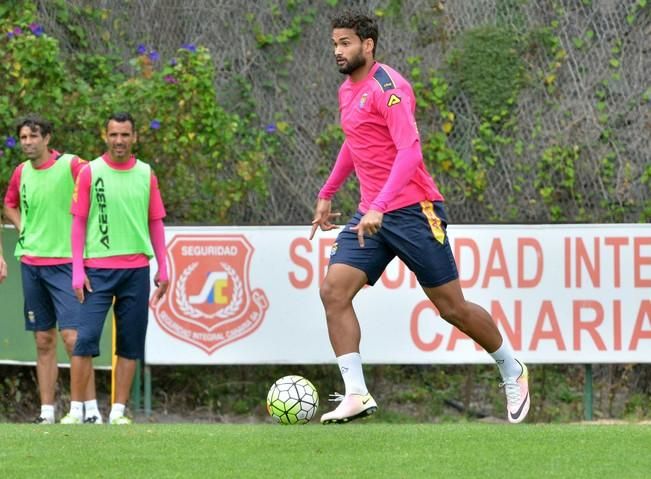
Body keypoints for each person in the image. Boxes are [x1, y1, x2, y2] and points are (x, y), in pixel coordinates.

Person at [310, 11, 530, 425]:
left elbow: (410, 152)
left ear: (368, 44)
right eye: (335, 43)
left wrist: (381, 204)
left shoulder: (389, 88)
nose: (338, 51)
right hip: (370, 216)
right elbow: (353, 143)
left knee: (452, 308)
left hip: (413, 211)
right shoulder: (346, 91)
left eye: (346, 43)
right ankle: (356, 393)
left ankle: (510, 367)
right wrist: (327, 193)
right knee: (333, 292)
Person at [63, 112, 169, 425]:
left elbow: (156, 222)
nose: (119, 141)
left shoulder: (146, 174)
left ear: (134, 137)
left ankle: (119, 412)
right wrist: (77, 270)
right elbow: (78, 222)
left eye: (125, 135)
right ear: (105, 136)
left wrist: (163, 267)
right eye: (114, 135)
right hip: (97, 272)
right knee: (84, 341)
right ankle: (76, 410)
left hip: (136, 270)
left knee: (130, 342)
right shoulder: (89, 172)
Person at [2, 115, 101, 424]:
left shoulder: (71, 165)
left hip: (67, 265)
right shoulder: (21, 172)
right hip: (32, 264)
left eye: (33, 136)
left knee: (74, 339)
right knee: (43, 340)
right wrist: (24, 229)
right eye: (23, 138)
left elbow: (97, 186)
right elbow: (9, 204)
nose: (27, 143)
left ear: (46, 138)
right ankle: (47, 413)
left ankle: (90, 410)